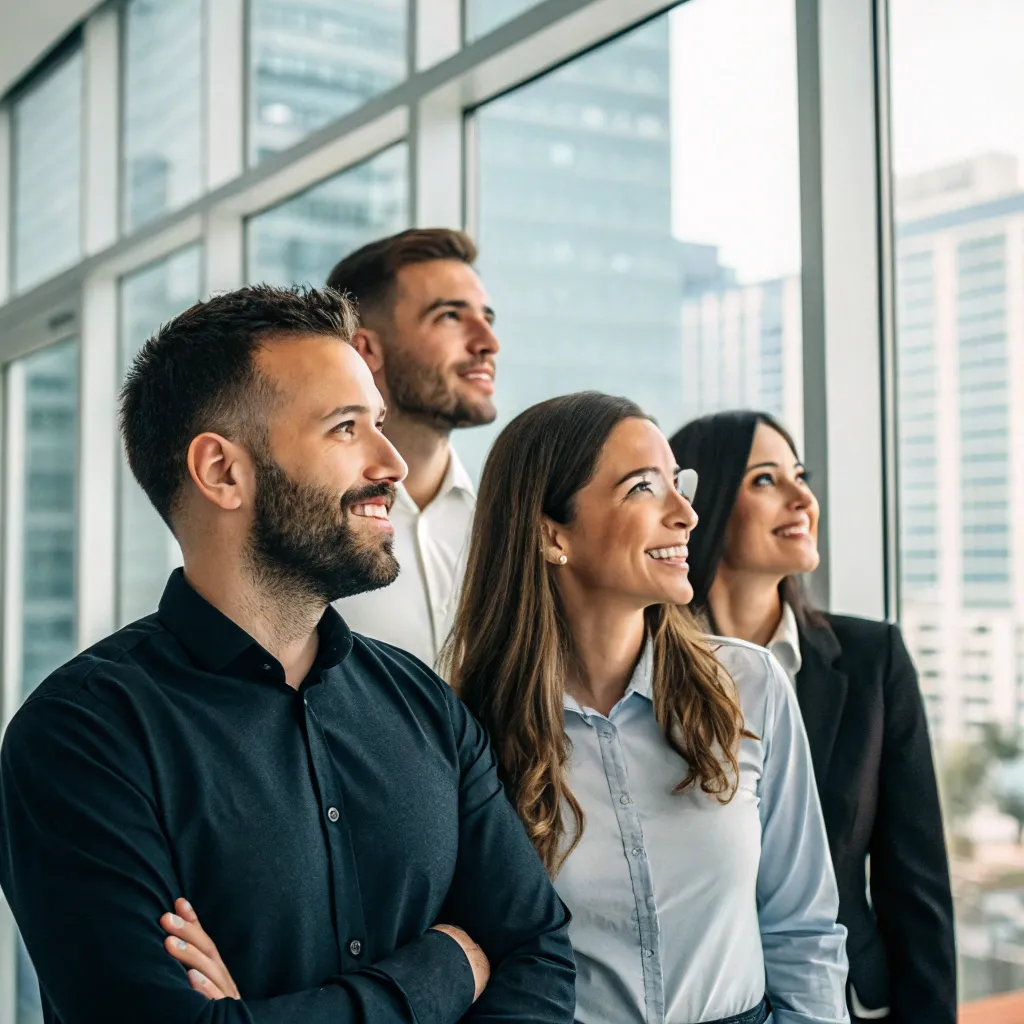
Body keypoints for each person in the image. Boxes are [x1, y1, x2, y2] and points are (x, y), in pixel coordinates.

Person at [0, 285, 575, 1024]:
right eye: (345, 429)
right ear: (222, 472)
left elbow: (537, 954)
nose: (392, 463)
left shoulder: (424, 705)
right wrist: (442, 972)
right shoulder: (81, 738)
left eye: (380, 424)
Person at [442, 391, 850, 1024]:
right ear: (552, 533)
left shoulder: (751, 683)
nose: (686, 513)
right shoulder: (466, 725)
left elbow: (804, 928)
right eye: (642, 488)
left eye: (677, 485)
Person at [668, 410, 955, 1024]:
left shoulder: (873, 660)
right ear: (705, 501)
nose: (803, 497)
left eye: (801, 475)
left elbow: (917, 885)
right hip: (701, 1003)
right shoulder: (648, 673)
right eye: (766, 480)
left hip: (851, 1005)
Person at [326, 229, 498, 669]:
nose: (487, 343)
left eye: (487, 319)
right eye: (450, 317)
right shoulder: (307, 533)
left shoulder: (503, 532)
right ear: (366, 349)